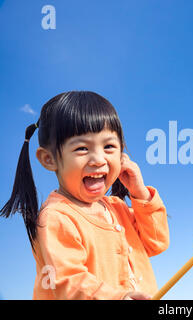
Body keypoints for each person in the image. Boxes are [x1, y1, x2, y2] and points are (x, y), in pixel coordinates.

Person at [0, 91, 169, 300]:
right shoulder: (56, 216)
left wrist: (139, 192)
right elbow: (68, 281)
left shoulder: (117, 207)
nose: (98, 159)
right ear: (49, 159)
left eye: (109, 146)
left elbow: (156, 243)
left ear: (122, 152)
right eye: (82, 148)